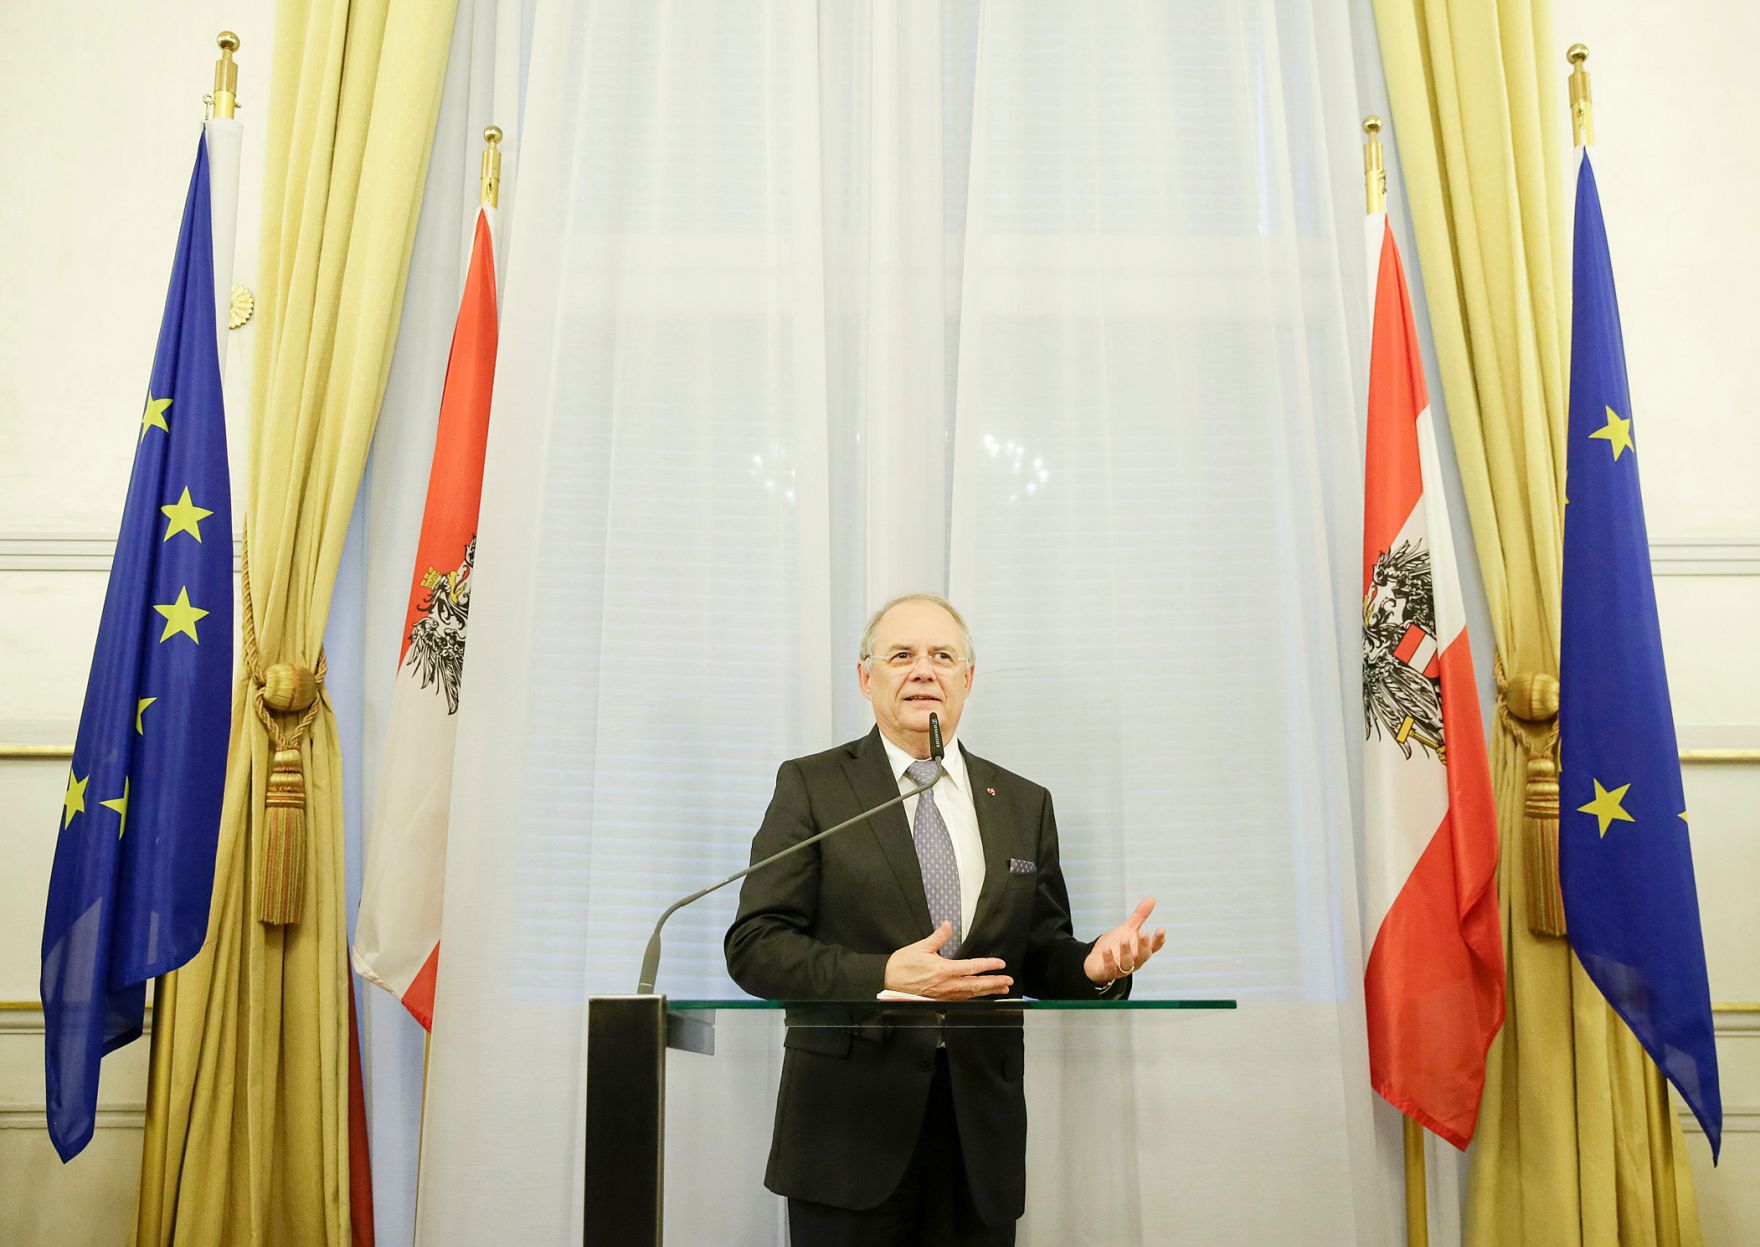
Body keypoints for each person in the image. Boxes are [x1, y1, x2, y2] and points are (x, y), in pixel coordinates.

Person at [725, 593, 1166, 1246]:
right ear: (865, 677)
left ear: (968, 677)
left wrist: (1095, 966)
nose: (923, 670)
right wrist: (883, 974)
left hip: (977, 1136)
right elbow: (756, 946)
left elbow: (1038, 951)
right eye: (901, 655)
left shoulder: (1022, 802)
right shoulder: (813, 786)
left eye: (942, 656)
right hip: (847, 1133)